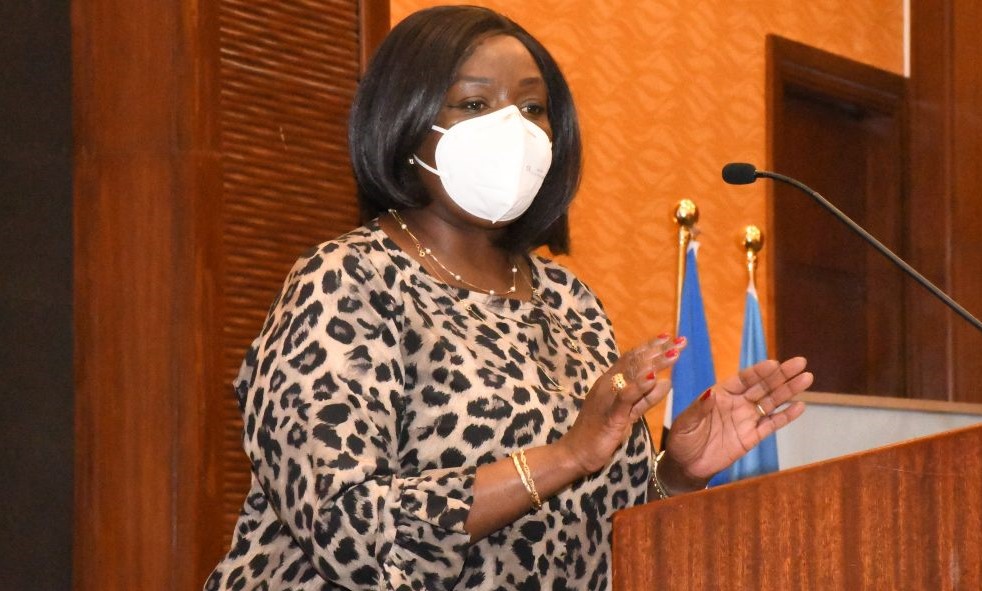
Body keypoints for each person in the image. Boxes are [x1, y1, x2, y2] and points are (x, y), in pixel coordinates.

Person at [205, 5, 812, 590]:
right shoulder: (346, 281)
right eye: (474, 104)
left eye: (531, 107)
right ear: (403, 119)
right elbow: (348, 530)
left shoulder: (568, 300)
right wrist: (566, 455)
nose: (512, 129)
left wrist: (676, 472)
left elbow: (591, 534)